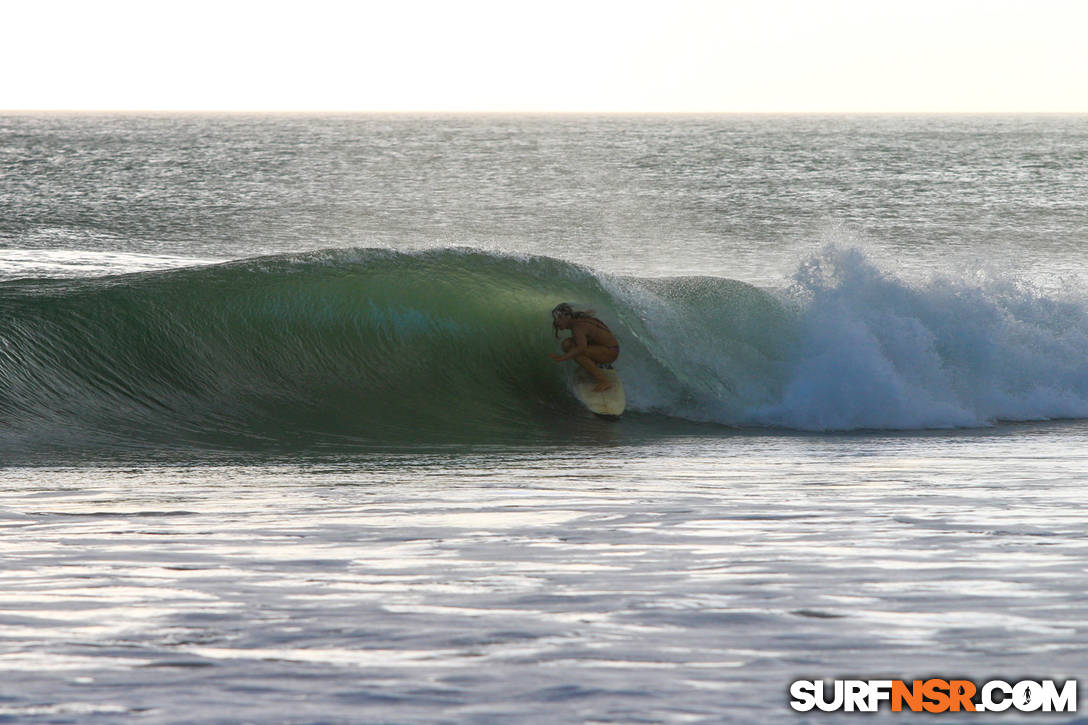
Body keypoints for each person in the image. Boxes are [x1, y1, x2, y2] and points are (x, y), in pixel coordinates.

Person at [549, 303, 619, 392]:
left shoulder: (577, 327)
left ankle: (604, 381)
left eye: (557, 319)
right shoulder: (578, 320)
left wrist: (562, 358)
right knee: (567, 344)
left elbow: (581, 348)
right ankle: (593, 366)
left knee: (576, 352)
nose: (555, 322)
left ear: (565, 317)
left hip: (610, 352)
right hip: (607, 348)